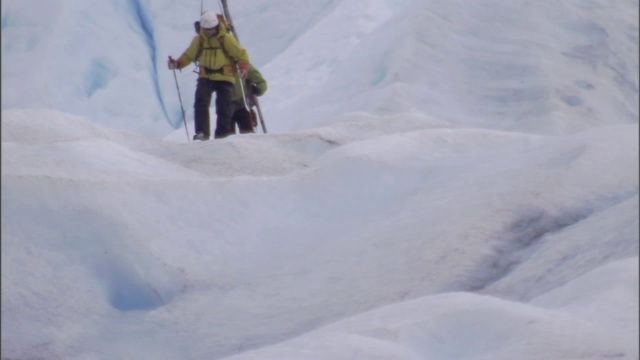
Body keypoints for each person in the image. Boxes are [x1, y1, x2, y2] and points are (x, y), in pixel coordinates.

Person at [168, 11, 251, 140]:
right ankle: (202, 133)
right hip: (206, 77)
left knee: (224, 108)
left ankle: (222, 135)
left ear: (216, 26)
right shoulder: (199, 40)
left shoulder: (226, 39)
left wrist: (244, 67)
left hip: (225, 78)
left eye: (211, 29)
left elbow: (241, 55)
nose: (208, 32)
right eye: (206, 30)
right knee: (201, 102)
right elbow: (189, 56)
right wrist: (177, 64)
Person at [230, 64, 267, 134]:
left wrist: (258, 89)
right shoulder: (220, 63)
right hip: (225, 107)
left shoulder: (242, 65)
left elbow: (261, 82)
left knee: (247, 135)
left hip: (243, 105)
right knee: (226, 138)